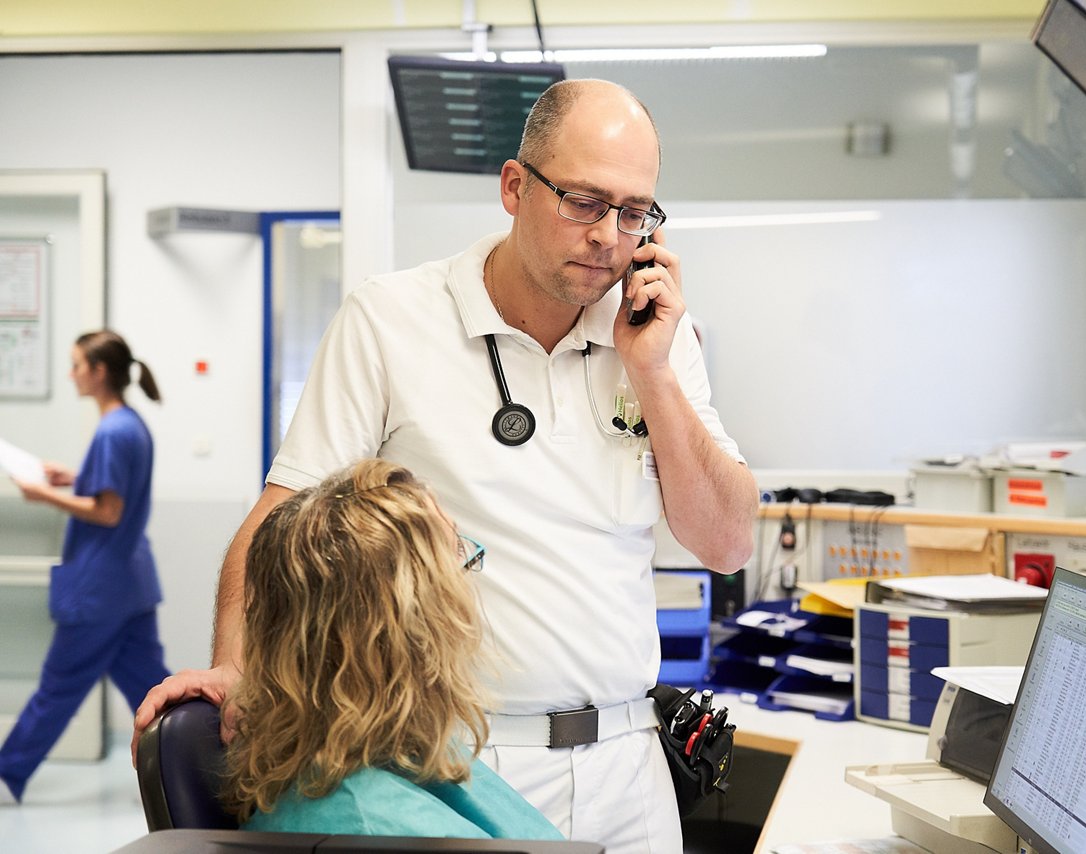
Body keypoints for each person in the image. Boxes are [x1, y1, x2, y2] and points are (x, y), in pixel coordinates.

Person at [135, 78, 758, 852]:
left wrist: (656, 373)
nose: (609, 235)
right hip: (462, 763)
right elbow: (276, 523)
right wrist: (233, 670)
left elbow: (727, 543)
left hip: (629, 767)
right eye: (585, 202)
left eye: (635, 213)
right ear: (514, 187)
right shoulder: (392, 320)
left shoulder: (658, 337)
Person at [223, 458, 562, 839]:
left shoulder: (406, 751)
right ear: (407, 629)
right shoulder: (365, 827)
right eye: (460, 561)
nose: (470, 589)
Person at [2, 330, 170, 804]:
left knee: (57, 689)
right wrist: (72, 477)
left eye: (76, 365)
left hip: (101, 590)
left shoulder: (113, 430)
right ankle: (207, 761)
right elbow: (112, 489)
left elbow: (109, 510)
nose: (71, 373)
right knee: (154, 691)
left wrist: (43, 494)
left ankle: (6, 771)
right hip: (128, 584)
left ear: (98, 372)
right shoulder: (128, 424)